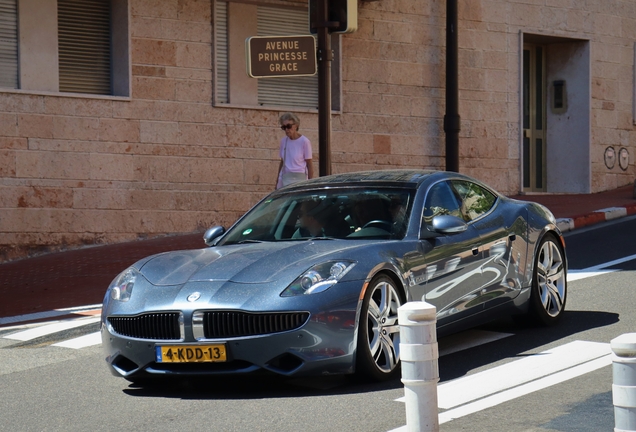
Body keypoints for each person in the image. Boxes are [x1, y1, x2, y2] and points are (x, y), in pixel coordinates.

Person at [276, 112, 314, 189]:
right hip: (285, 177)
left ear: (296, 125)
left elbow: (309, 163)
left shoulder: (304, 141)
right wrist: (277, 180)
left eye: (289, 126)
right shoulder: (284, 141)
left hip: (299, 177)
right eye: (284, 127)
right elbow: (282, 161)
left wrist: (310, 183)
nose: (287, 130)